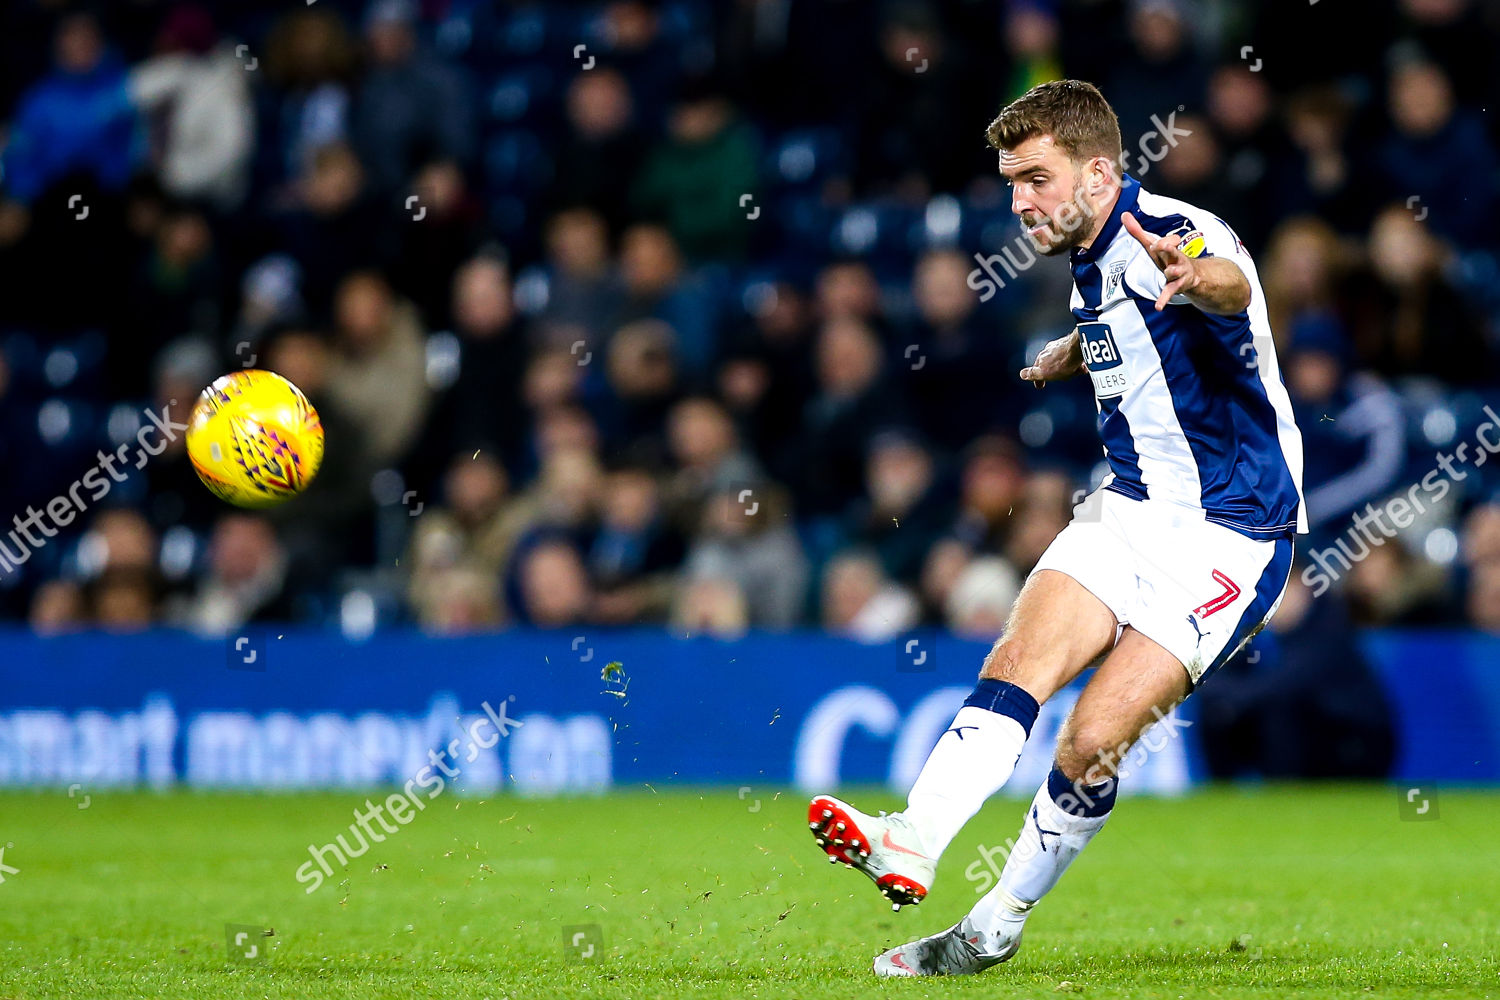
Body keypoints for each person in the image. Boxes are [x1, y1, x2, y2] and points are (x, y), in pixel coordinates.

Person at [806, 80, 1305, 977]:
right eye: (1010, 182)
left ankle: (995, 923)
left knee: (1089, 741)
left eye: (1036, 178)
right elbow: (1129, 320)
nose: (1019, 201)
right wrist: (1077, 347)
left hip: (1234, 533)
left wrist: (1198, 276)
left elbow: (1223, 283)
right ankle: (911, 839)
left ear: (1101, 171)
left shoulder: (1178, 234)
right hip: (1128, 509)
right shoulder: (1090, 255)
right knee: (1017, 662)